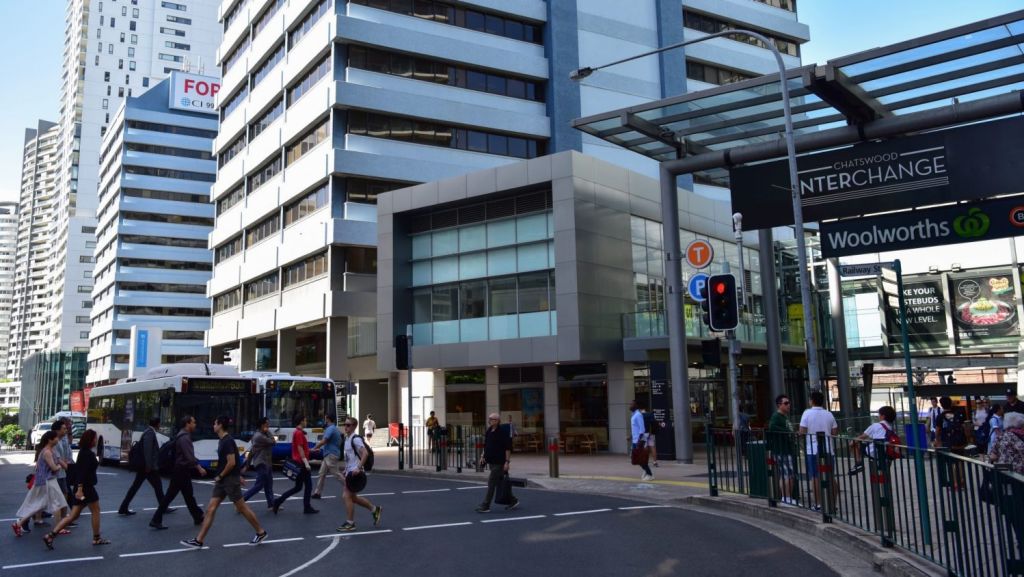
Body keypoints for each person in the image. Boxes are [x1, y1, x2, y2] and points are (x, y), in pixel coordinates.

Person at [180, 416, 268, 549]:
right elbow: (233, 462)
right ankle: (199, 540)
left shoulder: (227, 441)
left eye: (215, 423)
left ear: (220, 425)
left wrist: (221, 476)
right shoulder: (223, 440)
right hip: (224, 480)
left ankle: (260, 532)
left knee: (241, 507)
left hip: (228, 480)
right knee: (211, 508)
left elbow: (232, 462)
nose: (213, 426)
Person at [43, 429, 109, 548]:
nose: (96, 440)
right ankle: (96, 538)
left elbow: (80, 471)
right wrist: (80, 489)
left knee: (73, 515)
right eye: (94, 438)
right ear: (90, 439)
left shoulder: (84, 452)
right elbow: (82, 473)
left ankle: (50, 536)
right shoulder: (87, 454)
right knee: (96, 511)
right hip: (86, 488)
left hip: (83, 488)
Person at [150, 415, 206, 529]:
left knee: (188, 496)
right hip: (181, 471)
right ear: (187, 424)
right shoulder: (185, 438)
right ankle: (156, 519)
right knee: (171, 497)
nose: (195, 424)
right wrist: (199, 468)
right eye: (193, 422)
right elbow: (189, 457)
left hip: (180, 470)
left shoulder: (181, 435)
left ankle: (198, 516)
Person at [12, 431, 67, 537]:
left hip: (45, 480)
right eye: (55, 438)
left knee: (41, 505)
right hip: (47, 481)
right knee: (57, 503)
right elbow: (53, 467)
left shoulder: (49, 450)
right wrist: (60, 466)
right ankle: (58, 528)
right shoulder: (47, 452)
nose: (57, 439)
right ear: (50, 440)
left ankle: (18, 524)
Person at [336, 417, 382, 532]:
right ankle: (374, 509)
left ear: (354, 426)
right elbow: (351, 458)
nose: (345, 427)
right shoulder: (347, 438)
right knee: (353, 498)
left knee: (346, 496)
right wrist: (346, 469)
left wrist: (358, 467)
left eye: (348, 425)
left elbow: (365, 454)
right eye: (345, 424)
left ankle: (350, 523)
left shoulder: (355, 439)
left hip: (355, 473)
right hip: (350, 472)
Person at [798, 390, 838, 512]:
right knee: (830, 476)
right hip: (828, 449)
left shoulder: (807, 413)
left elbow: (802, 431)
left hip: (813, 450)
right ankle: (832, 504)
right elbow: (834, 432)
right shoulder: (829, 414)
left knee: (815, 477)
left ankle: (819, 504)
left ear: (811, 401)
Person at [119, 417, 165, 515]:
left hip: (145, 467)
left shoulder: (148, 431)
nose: (160, 425)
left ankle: (123, 507)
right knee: (157, 486)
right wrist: (148, 466)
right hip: (147, 467)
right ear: (157, 424)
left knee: (137, 487)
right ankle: (163, 507)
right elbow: (147, 451)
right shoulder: (149, 433)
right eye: (159, 424)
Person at [272, 415, 318, 515]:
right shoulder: (299, 433)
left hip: (299, 462)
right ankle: (307, 507)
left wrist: (311, 450)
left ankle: (278, 501)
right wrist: (306, 463)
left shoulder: (297, 432)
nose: (306, 422)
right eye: (305, 420)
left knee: (298, 487)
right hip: (301, 463)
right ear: (301, 422)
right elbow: (300, 449)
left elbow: (301, 449)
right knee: (308, 486)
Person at [475, 413, 518, 512]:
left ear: (498, 421)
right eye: (490, 419)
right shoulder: (489, 430)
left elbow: (507, 448)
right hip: (492, 461)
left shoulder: (502, 432)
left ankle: (486, 505)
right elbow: (486, 445)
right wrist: (482, 456)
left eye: (493, 419)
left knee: (491, 483)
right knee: (499, 482)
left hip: (500, 462)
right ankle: (513, 500)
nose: (490, 421)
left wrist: (507, 462)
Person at [849, 406, 898, 475]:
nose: (878, 416)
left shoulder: (876, 425)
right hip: (887, 453)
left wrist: (852, 442)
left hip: (874, 452)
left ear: (883, 416)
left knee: (856, 443)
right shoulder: (891, 428)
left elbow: (862, 436)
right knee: (883, 477)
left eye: (879, 414)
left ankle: (859, 463)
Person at [767, 394, 796, 505]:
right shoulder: (776, 416)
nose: (789, 405)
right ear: (779, 405)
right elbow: (772, 427)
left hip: (786, 449)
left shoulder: (784, 416)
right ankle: (785, 497)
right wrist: (787, 431)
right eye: (786, 403)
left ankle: (788, 497)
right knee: (786, 474)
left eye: (789, 403)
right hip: (781, 450)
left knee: (789, 473)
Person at [242, 417, 275, 508]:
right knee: (259, 485)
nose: (268, 426)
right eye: (267, 424)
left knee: (268, 485)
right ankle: (241, 500)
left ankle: (271, 505)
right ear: (262, 425)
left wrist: (247, 465)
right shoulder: (260, 436)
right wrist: (268, 432)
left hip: (266, 463)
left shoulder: (259, 435)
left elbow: (251, 452)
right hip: (262, 463)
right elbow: (273, 442)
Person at [311, 414, 343, 499]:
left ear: (328, 419)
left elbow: (324, 440)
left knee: (336, 474)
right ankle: (317, 493)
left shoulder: (330, 429)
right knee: (321, 473)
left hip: (331, 454)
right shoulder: (335, 429)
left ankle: (350, 489)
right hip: (328, 454)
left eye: (325, 419)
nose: (324, 421)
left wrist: (314, 448)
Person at [51, 420, 72, 524]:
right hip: (55, 474)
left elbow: (67, 454)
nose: (65, 430)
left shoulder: (62, 440)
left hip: (62, 473)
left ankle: (63, 519)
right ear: (57, 430)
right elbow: (57, 457)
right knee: (58, 498)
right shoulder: (54, 441)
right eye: (63, 428)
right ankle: (60, 522)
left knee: (64, 494)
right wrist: (65, 465)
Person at [629, 400, 654, 481]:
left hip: (639, 441)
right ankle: (646, 470)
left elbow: (642, 429)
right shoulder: (634, 415)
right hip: (635, 440)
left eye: (631, 404)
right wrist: (631, 437)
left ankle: (649, 474)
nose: (630, 405)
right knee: (636, 459)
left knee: (640, 458)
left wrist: (639, 441)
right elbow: (635, 429)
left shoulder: (638, 415)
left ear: (636, 405)